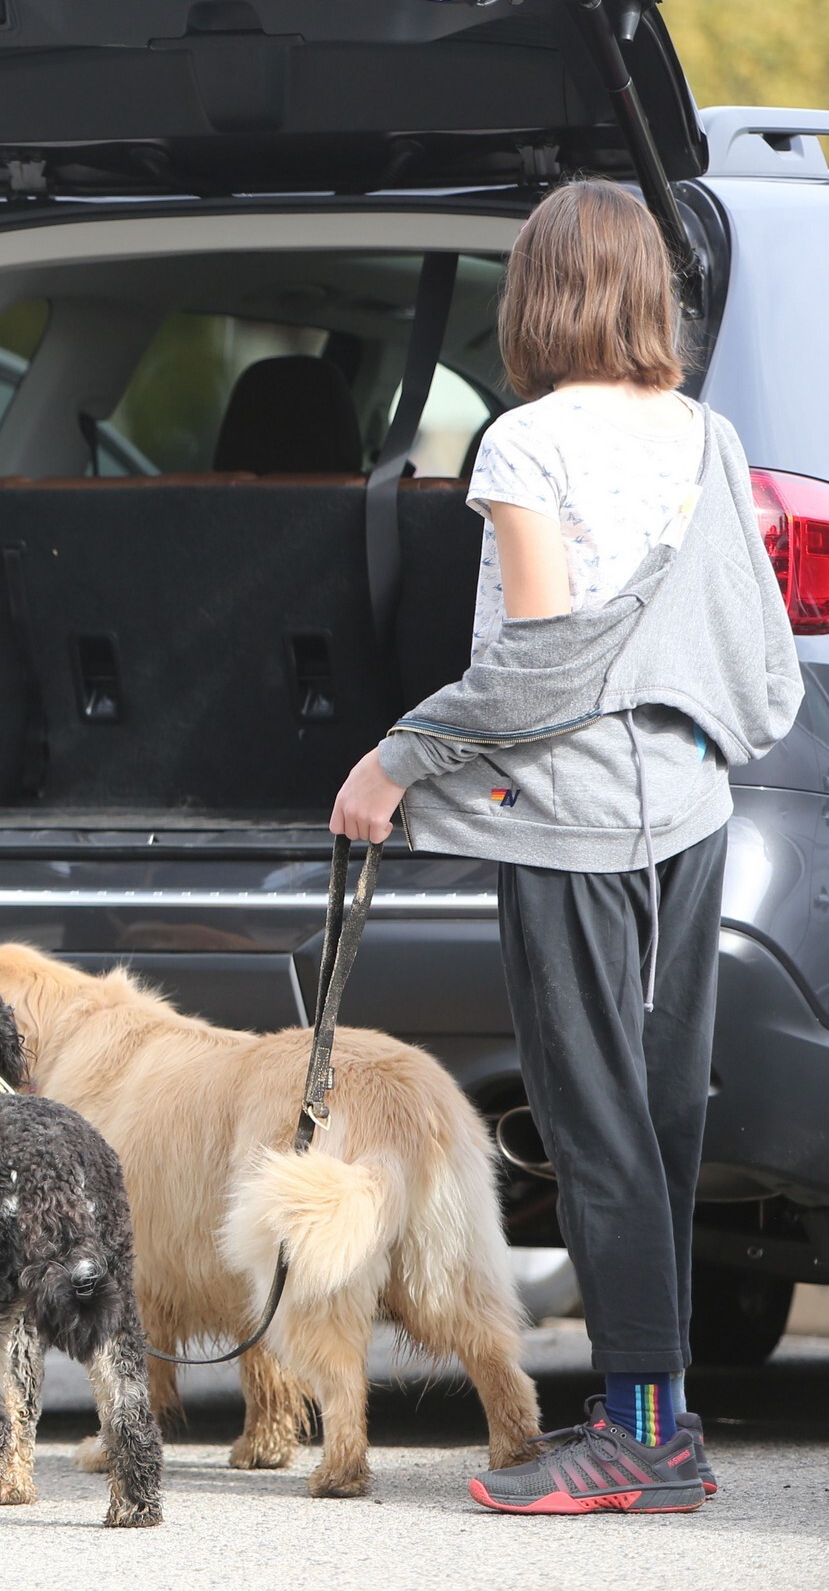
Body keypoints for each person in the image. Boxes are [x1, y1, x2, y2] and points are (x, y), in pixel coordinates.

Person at [330, 180, 802, 1515]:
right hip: (690, 810)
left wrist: (393, 761)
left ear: (535, 300)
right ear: (647, 292)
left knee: (595, 1126)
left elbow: (538, 664)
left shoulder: (526, 443)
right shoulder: (706, 435)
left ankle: (640, 1438)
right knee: (656, 1121)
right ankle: (661, 1421)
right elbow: (753, 641)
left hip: (574, 828)